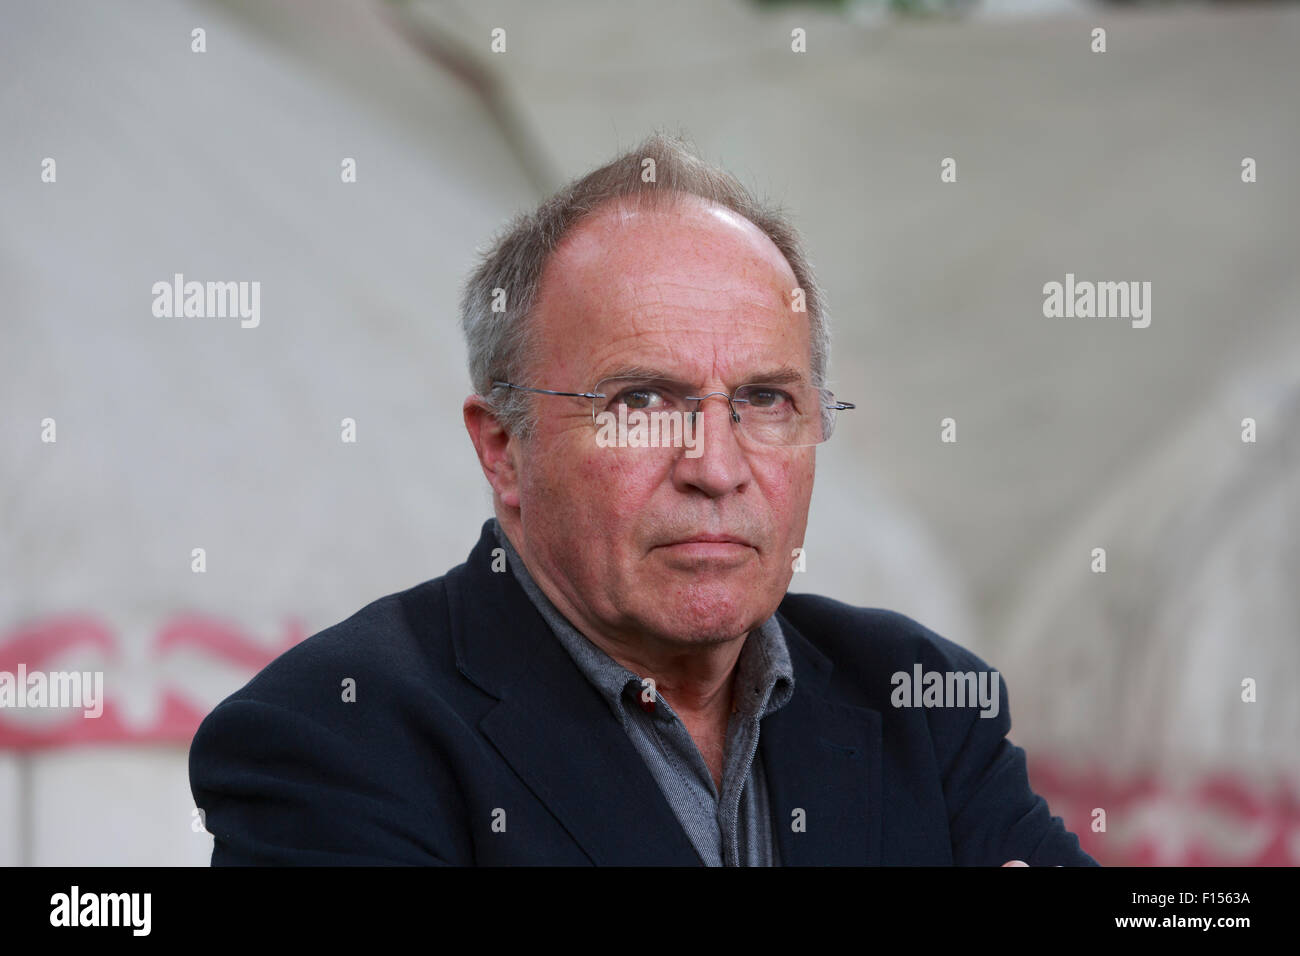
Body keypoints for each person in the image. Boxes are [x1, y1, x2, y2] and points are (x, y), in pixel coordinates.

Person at [189, 133, 1095, 866]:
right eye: (641, 403)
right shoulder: (336, 737)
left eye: (765, 401)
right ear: (504, 449)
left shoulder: (919, 701)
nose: (715, 465)